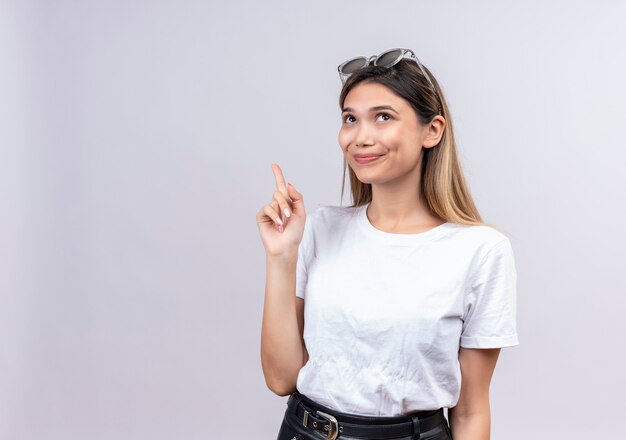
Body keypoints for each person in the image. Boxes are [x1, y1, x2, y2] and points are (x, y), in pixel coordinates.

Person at [257, 48, 519, 440]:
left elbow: (471, 410)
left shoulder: (481, 251)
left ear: (432, 131)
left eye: (383, 117)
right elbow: (281, 378)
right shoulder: (321, 228)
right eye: (350, 118)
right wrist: (281, 257)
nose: (361, 137)